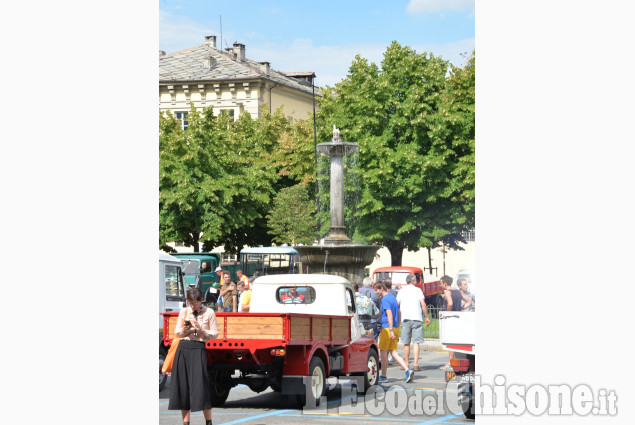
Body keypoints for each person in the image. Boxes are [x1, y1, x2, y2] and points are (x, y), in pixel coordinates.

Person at [169, 287, 219, 425]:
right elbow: (177, 333)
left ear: (201, 300)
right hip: (184, 348)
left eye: (194, 303)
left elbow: (215, 334)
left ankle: (208, 422)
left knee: (201, 386)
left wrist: (201, 330)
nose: (192, 306)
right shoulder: (184, 311)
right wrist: (187, 329)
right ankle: (186, 423)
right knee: (183, 387)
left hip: (198, 348)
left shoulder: (209, 312)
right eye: (190, 302)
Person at [373, 281, 414, 383]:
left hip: (387, 328)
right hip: (395, 327)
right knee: (394, 352)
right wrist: (397, 326)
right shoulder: (393, 297)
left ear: (381, 288)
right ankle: (407, 370)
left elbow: (389, 313)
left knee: (383, 352)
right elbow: (399, 312)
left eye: (376, 290)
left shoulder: (385, 299)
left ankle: (383, 376)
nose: (375, 292)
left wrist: (390, 329)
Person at [397, 274, 431, 371]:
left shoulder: (401, 291)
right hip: (417, 318)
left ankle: (406, 363)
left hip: (405, 318)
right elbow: (423, 304)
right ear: (412, 281)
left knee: (406, 343)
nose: (416, 281)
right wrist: (427, 317)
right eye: (415, 280)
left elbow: (397, 304)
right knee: (416, 342)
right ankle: (416, 364)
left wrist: (397, 320)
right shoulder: (418, 290)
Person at [440, 275, 472, 369]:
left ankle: (450, 362)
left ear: (445, 283)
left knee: (451, 341)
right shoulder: (458, 292)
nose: (441, 285)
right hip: (458, 318)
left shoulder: (447, 292)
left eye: (441, 283)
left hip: (451, 319)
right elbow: (469, 301)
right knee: (455, 340)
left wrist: (447, 313)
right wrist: (462, 308)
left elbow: (450, 303)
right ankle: (454, 361)